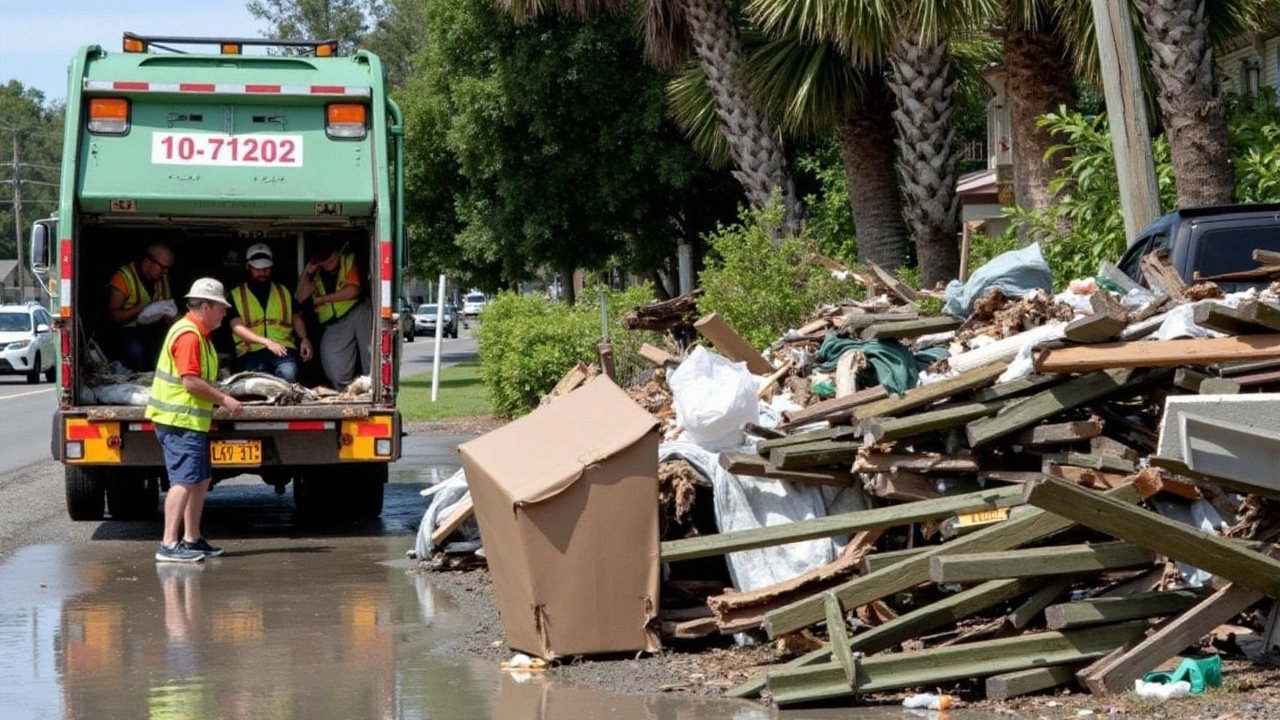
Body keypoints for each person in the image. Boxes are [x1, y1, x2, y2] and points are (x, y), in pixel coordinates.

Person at [147, 278, 244, 563]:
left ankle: (191, 540)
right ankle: (168, 544)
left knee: (200, 479)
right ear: (205, 306)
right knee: (183, 481)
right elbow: (190, 382)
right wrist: (224, 399)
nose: (225, 313)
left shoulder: (198, 333)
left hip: (189, 420)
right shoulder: (190, 335)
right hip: (179, 419)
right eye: (221, 308)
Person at [227, 243, 313, 381]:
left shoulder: (283, 291)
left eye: (266, 268)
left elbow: (296, 315)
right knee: (258, 381)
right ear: (248, 267)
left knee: (289, 375)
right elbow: (236, 326)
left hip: (283, 348)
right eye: (258, 268)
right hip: (250, 350)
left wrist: (304, 338)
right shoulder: (236, 294)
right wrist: (266, 342)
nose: (262, 272)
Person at [294, 239, 370, 390]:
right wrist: (306, 273)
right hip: (335, 323)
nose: (328, 265)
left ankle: (372, 388)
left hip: (358, 311)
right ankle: (346, 392)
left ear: (339, 253)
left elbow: (353, 290)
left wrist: (323, 299)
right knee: (333, 364)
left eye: (331, 260)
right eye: (324, 262)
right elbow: (300, 297)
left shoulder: (348, 261)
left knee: (370, 352)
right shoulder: (316, 272)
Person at [107, 241, 176, 371]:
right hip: (129, 328)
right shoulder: (123, 277)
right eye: (162, 267)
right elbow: (113, 317)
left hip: (154, 328)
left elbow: (167, 302)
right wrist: (139, 309)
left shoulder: (163, 279)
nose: (165, 272)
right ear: (148, 261)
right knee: (137, 353)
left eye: (168, 268)